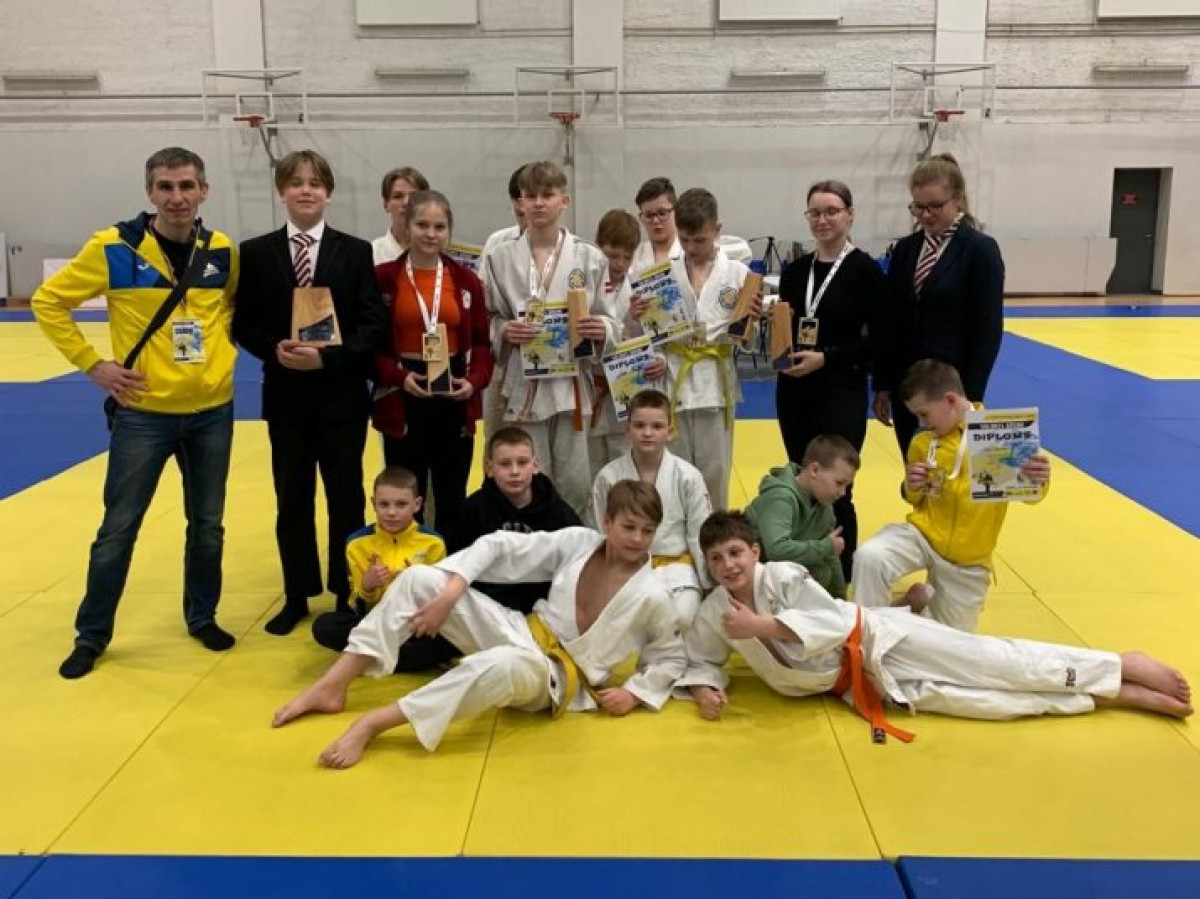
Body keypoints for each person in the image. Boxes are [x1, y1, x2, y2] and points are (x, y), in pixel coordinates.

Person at [271, 480, 687, 767]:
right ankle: (334, 685)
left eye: (647, 531)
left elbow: (670, 657)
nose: (637, 539)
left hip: (557, 677)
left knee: (501, 664)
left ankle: (374, 723)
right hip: (522, 630)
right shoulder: (579, 542)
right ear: (607, 522)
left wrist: (634, 694)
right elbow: (499, 546)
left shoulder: (653, 593)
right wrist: (451, 593)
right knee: (419, 580)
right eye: (628, 527)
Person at [680, 512, 1192, 737]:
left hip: (882, 638)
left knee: (994, 663)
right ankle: (1108, 696)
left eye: (735, 552)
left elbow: (833, 619)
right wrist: (706, 691)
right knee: (989, 705)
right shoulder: (715, 612)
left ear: (756, 551)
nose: (728, 565)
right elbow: (701, 658)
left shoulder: (784, 576)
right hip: (862, 686)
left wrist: (762, 627)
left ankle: (1120, 664)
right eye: (717, 558)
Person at [31, 147, 239, 679]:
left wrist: (220, 359)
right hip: (144, 414)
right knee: (118, 529)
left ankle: (202, 617)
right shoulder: (113, 247)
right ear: (150, 192)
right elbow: (47, 302)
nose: (177, 197)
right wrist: (93, 365)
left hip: (212, 412)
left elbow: (229, 309)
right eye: (166, 187)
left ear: (204, 191)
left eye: (187, 186)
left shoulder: (221, 251)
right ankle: (91, 635)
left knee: (208, 526)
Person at [233, 150, 389, 636]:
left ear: (328, 194)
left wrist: (328, 358)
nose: (306, 190)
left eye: (315, 183)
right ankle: (296, 594)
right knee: (292, 499)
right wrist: (273, 349)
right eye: (297, 182)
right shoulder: (256, 252)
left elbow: (372, 325)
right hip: (287, 398)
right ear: (282, 190)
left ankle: (347, 591)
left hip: (341, 396)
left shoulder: (355, 251)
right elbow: (244, 324)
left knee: (346, 498)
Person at [852, 360, 1051, 633]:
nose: (922, 423)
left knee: (949, 645)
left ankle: (914, 603)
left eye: (924, 414)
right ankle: (865, 639)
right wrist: (912, 484)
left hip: (967, 560)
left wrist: (1037, 479)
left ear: (950, 400)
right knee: (870, 557)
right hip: (922, 536)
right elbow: (914, 499)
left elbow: (1030, 496)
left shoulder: (1001, 436)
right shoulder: (923, 442)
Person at [483, 160, 617, 517]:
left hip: (570, 385)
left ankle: (574, 544)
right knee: (528, 479)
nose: (539, 203)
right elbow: (487, 317)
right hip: (523, 383)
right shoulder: (499, 257)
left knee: (575, 480)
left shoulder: (589, 257)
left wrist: (601, 329)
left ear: (564, 201)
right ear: (520, 202)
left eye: (548, 195)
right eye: (531, 196)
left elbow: (610, 317)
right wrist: (505, 330)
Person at [775, 181, 888, 580]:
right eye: (815, 213)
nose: (822, 220)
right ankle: (804, 566)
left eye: (831, 211)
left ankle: (843, 574)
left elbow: (880, 339)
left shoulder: (866, 271)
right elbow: (787, 325)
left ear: (849, 215)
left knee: (837, 488)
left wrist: (827, 358)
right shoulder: (795, 271)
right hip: (795, 391)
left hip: (840, 390)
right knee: (801, 481)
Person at [371, 190, 493, 540]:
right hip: (403, 394)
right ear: (407, 227)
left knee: (452, 493)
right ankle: (406, 564)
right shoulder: (383, 278)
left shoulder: (466, 281)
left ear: (449, 231)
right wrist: (398, 376)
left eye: (439, 227)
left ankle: (451, 565)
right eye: (422, 225)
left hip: (454, 394)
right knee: (405, 494)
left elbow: (482, 344)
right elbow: (370, 347)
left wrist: (474, 381)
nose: (430, 234)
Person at [874, 154, 1005, 456]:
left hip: (951, 390)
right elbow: (891, 321)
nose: (926, 215)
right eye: (918, 207)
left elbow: (988, 329)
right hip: (908, 388)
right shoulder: (905, 249)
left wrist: (971, 396)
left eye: (935, 206)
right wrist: (883, 383)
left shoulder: (980, 250)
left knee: (952, 472)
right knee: (916, 471)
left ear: (957, 199)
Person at [645, 187, 755, 510]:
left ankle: (715, 534)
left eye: (700, 240)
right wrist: (642, 322)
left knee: (714, 473)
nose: (691, 248)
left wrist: (754, 322)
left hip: (714, 385)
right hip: (673, 380)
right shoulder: (663, 274)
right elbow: (651, 336)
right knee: (673, 474)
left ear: (717, 230)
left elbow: (747, 342)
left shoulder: (738, 274)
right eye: (685, 240)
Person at [592, 390, 711, 627]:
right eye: (639, 426)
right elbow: (600, 532)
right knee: (620, 625)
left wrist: (708, 584)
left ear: (670, 431)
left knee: (681, 619)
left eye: (657, 426)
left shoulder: (688, 476)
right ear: (627, 430)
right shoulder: (608, 476)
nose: (647, 433)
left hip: (676, 572)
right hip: (624, 571)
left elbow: (699, 535)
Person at [310, 466, 447, 669]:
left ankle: (374, 657)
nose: (391, 512)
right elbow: (358, 606)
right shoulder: (357, 543)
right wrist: (368, 585)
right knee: (325, 626)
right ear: (373, 504)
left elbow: (439, 600)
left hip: (415, 625)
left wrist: (414, 584)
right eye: (384, 504)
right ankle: (400, 658)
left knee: (452, 639)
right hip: (375, 622)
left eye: (401, 504)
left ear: (417, 504)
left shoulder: (433, 543)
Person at [744, 434, 858, 599]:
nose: (842, 493)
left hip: (780, 581)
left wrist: (840, 600)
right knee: (816, 573)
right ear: (814, 470)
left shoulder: (824, 504)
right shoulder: (780, 498)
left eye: (847, 486)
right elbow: (776, 549)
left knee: (822, 573)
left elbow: (831, 557)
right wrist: (825, 547)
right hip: (751, 580)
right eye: (839, 483)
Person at [588, 208, 643, 475]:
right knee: (590, 467)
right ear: (598, 248)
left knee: (625, 467)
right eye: (612, 255)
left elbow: (650, 342)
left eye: (627, 257)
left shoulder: (638, 289)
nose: (619, 264)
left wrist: (635, 318)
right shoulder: (584, 286)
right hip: (592, 386)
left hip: (625, 389)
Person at [478, 165, 528, 443]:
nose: (526, 208)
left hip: (547, 361)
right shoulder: (497, 243)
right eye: (519, 201)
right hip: (504, 359)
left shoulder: (571, 249)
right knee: (497, 438)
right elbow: (482, 308)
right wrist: (504, 329)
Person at [372, 166, 430, 265]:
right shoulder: (371, 255)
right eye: (398, 196)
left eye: (414, 196)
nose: (406, 202)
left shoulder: (440, 252)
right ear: (386, 205)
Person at [631, 176, 682, 272]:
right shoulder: (633, 257)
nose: (655, 221)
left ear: (676, 211)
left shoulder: (689, 252)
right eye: (649, 215)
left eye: (662, 213)